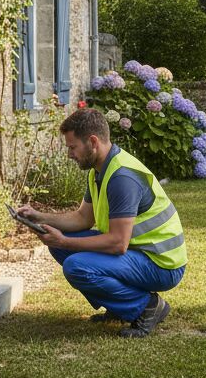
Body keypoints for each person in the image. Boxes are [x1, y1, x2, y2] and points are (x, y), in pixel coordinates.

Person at [17, 107, 186, 338]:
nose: (69, 154)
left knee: (76, 266)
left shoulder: (122, 178)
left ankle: (147, 306)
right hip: (139, 253)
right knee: (57, 246)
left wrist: (65, 241)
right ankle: (119, 305)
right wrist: (39, 216)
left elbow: (118, 243)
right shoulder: (99, 170)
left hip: (162, 264)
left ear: (93, 141)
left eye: (72, 147)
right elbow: (83, 219)